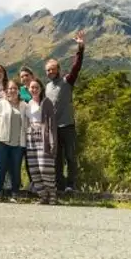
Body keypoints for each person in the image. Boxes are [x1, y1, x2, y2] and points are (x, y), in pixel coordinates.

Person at [45, 30, 85, 193]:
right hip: (53, 128)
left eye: (52, 69)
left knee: (70, 157)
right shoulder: (47, 86)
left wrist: (80, 48)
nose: (50, 72)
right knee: (57, 159)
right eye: (48, 70)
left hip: (67, 126)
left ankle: (71, 185)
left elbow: (77, 66)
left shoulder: (67, 80)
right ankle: (59, 186)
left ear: (58, 70)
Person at [0, 78, 29, 202]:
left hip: (19, 143)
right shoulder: (1, 104)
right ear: (6, 91)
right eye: (10, 88)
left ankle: (14, 193)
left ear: (18, 91)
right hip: (3, 142)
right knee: (1, 168)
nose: (12, 90)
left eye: (14, 88)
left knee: (16, 169)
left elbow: (28, 124)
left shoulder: (24, 105)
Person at [25, 78, 59, 204]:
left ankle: (52, 195)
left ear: (41, 89)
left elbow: (52, 123)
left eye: (36, 87)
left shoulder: (46, 102)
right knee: (34, 168)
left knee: (45, 167)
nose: (33, 90)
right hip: (30, 137)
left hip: (43, 136)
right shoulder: (28, 103)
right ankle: (43, 195)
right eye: (31, 87)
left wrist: (52, 142)